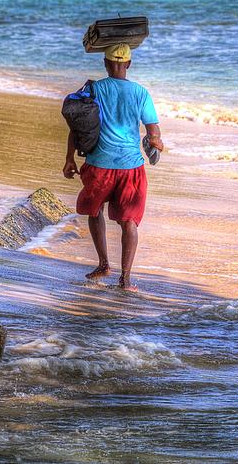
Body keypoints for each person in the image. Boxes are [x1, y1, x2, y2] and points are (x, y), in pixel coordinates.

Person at [63, 43, 163, 290]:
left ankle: (103, 264)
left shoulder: (94, 89)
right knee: (129, 222)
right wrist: (156, 144)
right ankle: (126, 279)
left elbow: (78, 125)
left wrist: (69, 159)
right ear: (128, 64)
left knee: (94, 210)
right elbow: (153, 133)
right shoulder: (141, 93)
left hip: (99, 164)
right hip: (131, 167)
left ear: (105, 63)